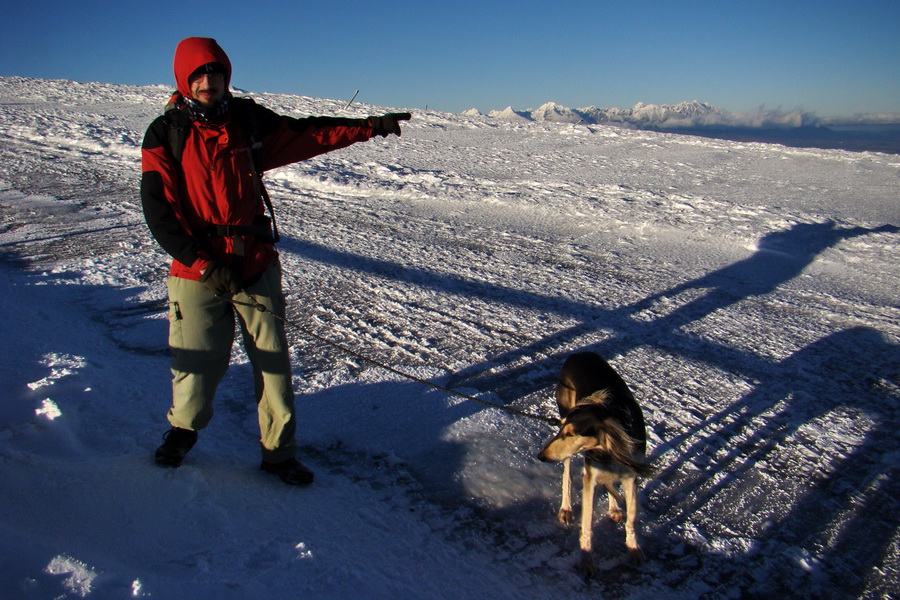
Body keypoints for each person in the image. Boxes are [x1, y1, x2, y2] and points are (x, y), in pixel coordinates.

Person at [140, 37, 410, 485]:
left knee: (273, 362)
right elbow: (159, 210)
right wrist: (204, 264)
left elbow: (307, 135)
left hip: (255, 263)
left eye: (217, 73)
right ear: (184, 80)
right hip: (197, 269)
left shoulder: (248, 121)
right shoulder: (166, 133)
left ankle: (278, 453)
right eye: (199, 75)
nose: (209, 82)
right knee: (199, 363)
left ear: (227, 75)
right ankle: (183, 431)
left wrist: (368, 126)